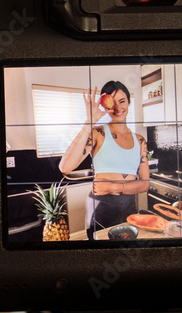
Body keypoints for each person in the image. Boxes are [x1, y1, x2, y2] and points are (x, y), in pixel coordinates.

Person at [58, 80, 149, 239]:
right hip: (101, 208)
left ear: (128, 102)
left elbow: (145, 184)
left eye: (122, 101)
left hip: (129, 207)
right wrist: (89, 122)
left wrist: (114, 187)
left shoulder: (140, 140)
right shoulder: (98, 133)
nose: (118, 107)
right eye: (112, 103)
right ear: (105, 106)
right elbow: (65, 166)